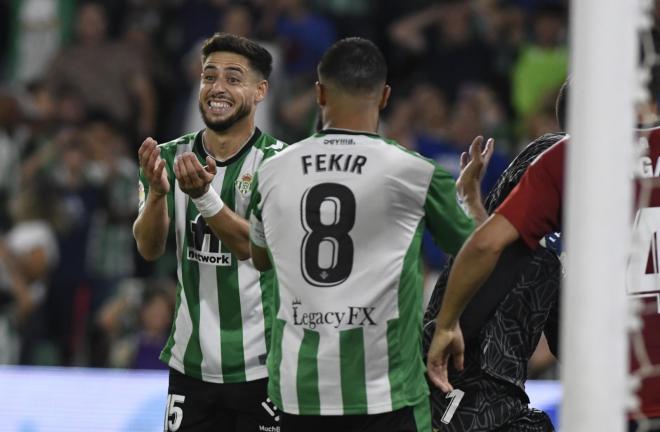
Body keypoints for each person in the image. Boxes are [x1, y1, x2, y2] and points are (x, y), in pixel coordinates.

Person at [248, 37, 492, 432]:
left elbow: (259, 258)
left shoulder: (271, 171)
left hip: (298, 392)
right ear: (384, 97)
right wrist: (447, 322)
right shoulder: (414, 172)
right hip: (388, 392)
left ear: (319, 93)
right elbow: (481, 249)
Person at [426, 82, 660, 431]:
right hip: (491, 391)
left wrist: (444, 326)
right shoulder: (566, 163)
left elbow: (493, 248)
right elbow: (512, 255)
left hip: (487, 391)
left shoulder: (560, 164)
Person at [133, 33, 286, 432]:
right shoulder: (167, 156)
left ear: (260, 91)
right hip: (191, 366)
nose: (217, 88)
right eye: (208, 76)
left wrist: (204, 197)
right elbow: (149, 249)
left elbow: (257, 248)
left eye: (234, 79)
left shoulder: (281, 164)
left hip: (263, 368)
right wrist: (156, 196)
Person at [422, 85, 567, 430]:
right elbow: (494, 249)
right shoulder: (554, 157)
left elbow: (505, 245)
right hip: (472, 385)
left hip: (492, 389)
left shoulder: (553, 253)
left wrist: (474, 207)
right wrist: (447, 325)